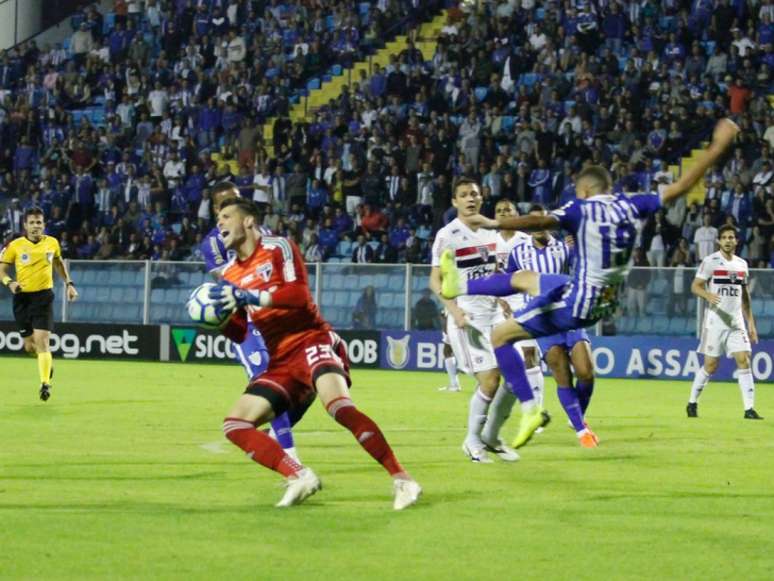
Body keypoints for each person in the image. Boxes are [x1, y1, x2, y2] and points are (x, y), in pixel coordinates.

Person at [439, 119, 740, 450]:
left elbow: (540, 220)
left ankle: (529, 409)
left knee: (500, 335)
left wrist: (496, 222)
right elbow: (682, 186)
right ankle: (463, 284)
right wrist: (717, 147)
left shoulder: (579, 208)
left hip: (578, 302)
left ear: (583, 190)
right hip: (604, 302)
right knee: (526, 279)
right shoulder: (632, 204)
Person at [208, 198, 421, 509]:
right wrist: (218, 320)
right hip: (280, 360)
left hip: (311, 339)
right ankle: (300, 476)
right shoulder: (229, 273)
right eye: (218, 218)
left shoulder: (278, 247)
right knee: (235, 423)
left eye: (226, 216)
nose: (220, 223)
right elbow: (239, 331)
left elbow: (297, 296)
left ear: (249, 221)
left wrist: (248, 295)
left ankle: (403, 480)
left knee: (338, 407)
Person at [199, 182, 301, 461]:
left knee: (301, 384)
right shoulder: (213, 242)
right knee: (267, 381)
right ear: (217, 209)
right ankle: (291, 456)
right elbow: (227, 279)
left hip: (273, 317)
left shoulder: (263, 232)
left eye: (238, 198)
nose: (236, 204)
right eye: (227, 202)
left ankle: (274, 436)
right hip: (247, 322)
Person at [430, 177, 521, 463]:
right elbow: (435, 280)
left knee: (516, 376)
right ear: (455, 202)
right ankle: (472, 441)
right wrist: (454, 310)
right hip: (468, 316)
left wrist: (502, 299)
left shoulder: (491, 233)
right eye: (464, 195)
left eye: (475, 194)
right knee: (490, 380)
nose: (470, 199)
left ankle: (491, 437)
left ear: (482, 199)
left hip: (493, 312)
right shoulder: (448, 234)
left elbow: (494, 273)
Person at [503, 204, 597, 448]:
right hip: (542, 321)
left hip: (569, 314)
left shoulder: (563, 247)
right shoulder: (518, 252)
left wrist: (579, 250)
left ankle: (576, 414)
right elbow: (508, 280)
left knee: (586, 372)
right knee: (561, 374)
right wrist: (507, 302)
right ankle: (581, 431)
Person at [480, 200, 547, 445]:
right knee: (500, 368)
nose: (504, 214)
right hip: (496, 307)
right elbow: (490, 275)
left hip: (525, 304)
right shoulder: (489, 241)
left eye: (508, 210)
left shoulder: (526, 240)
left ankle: (535, 411)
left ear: (517, 214)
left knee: (530, 357)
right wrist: (499, 301)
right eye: (499, 211)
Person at [0, 207, 78, 401]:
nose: (36, 226)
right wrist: (10, 283)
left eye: (39, 223)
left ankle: (45, 384)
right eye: (32, 223)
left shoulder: (52, 243)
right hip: (22, 299)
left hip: (43, 297)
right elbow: (1, 271)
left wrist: (69, 284)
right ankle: (46, 363)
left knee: (42, 341)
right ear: (25, 225)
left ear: (44, 225)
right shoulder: (14, 246)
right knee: (29, 346)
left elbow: (58, 263)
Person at [686, 225, 762, 420]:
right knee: (711, 365)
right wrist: (707, 295)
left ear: (736, 241)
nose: (728, 240)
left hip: (736, 321)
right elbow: (695, 286)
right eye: (724, 237)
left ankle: (749, 409)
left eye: (731, 237)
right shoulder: (710, 261)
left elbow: (745, 297)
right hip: (716, 321)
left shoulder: (742, 264)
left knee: (744, 360)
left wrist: (751, 323)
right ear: (719, 241)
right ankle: (692, 402)